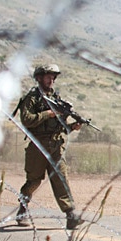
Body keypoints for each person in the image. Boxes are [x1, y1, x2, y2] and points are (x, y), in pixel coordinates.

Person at [15, 63, 83, 230]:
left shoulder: (57, 100)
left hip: (56, 146)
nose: (51, 79)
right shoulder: (32, 98)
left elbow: (62, 127)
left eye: (53, 76)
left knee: (61, 180)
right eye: (48, 76)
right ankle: (22, 209)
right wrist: (49, 113)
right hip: (38, 146)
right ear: (39, 78)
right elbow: (27, 120)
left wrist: (73, 127)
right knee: (34, 181)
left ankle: (70, 215)